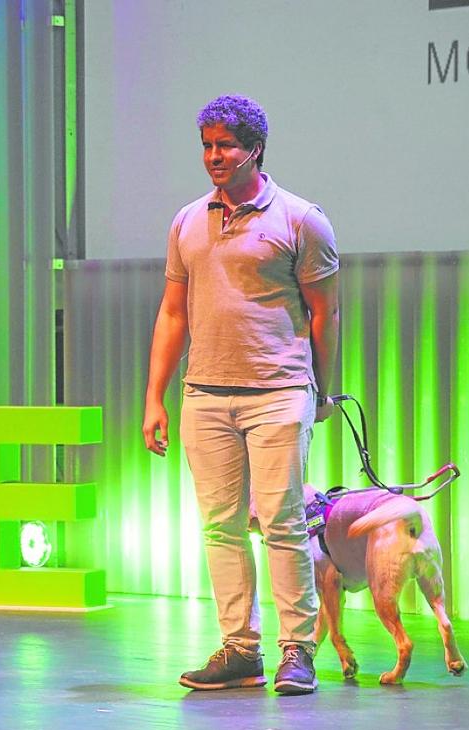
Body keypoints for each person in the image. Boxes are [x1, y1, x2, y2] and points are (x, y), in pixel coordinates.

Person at [142, 95, 340, 694]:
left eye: (225, 144)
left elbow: (326, 314)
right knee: (220, 527)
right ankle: (240, 648)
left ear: (255, 148)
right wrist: (155, 397)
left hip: (277, 392)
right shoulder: (187, 221)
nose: (214, 156)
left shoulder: (302, 219)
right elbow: (173, 312)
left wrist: (320, 391)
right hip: (204, 394)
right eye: (206, 145)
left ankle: (297, 650)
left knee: (281, 524)